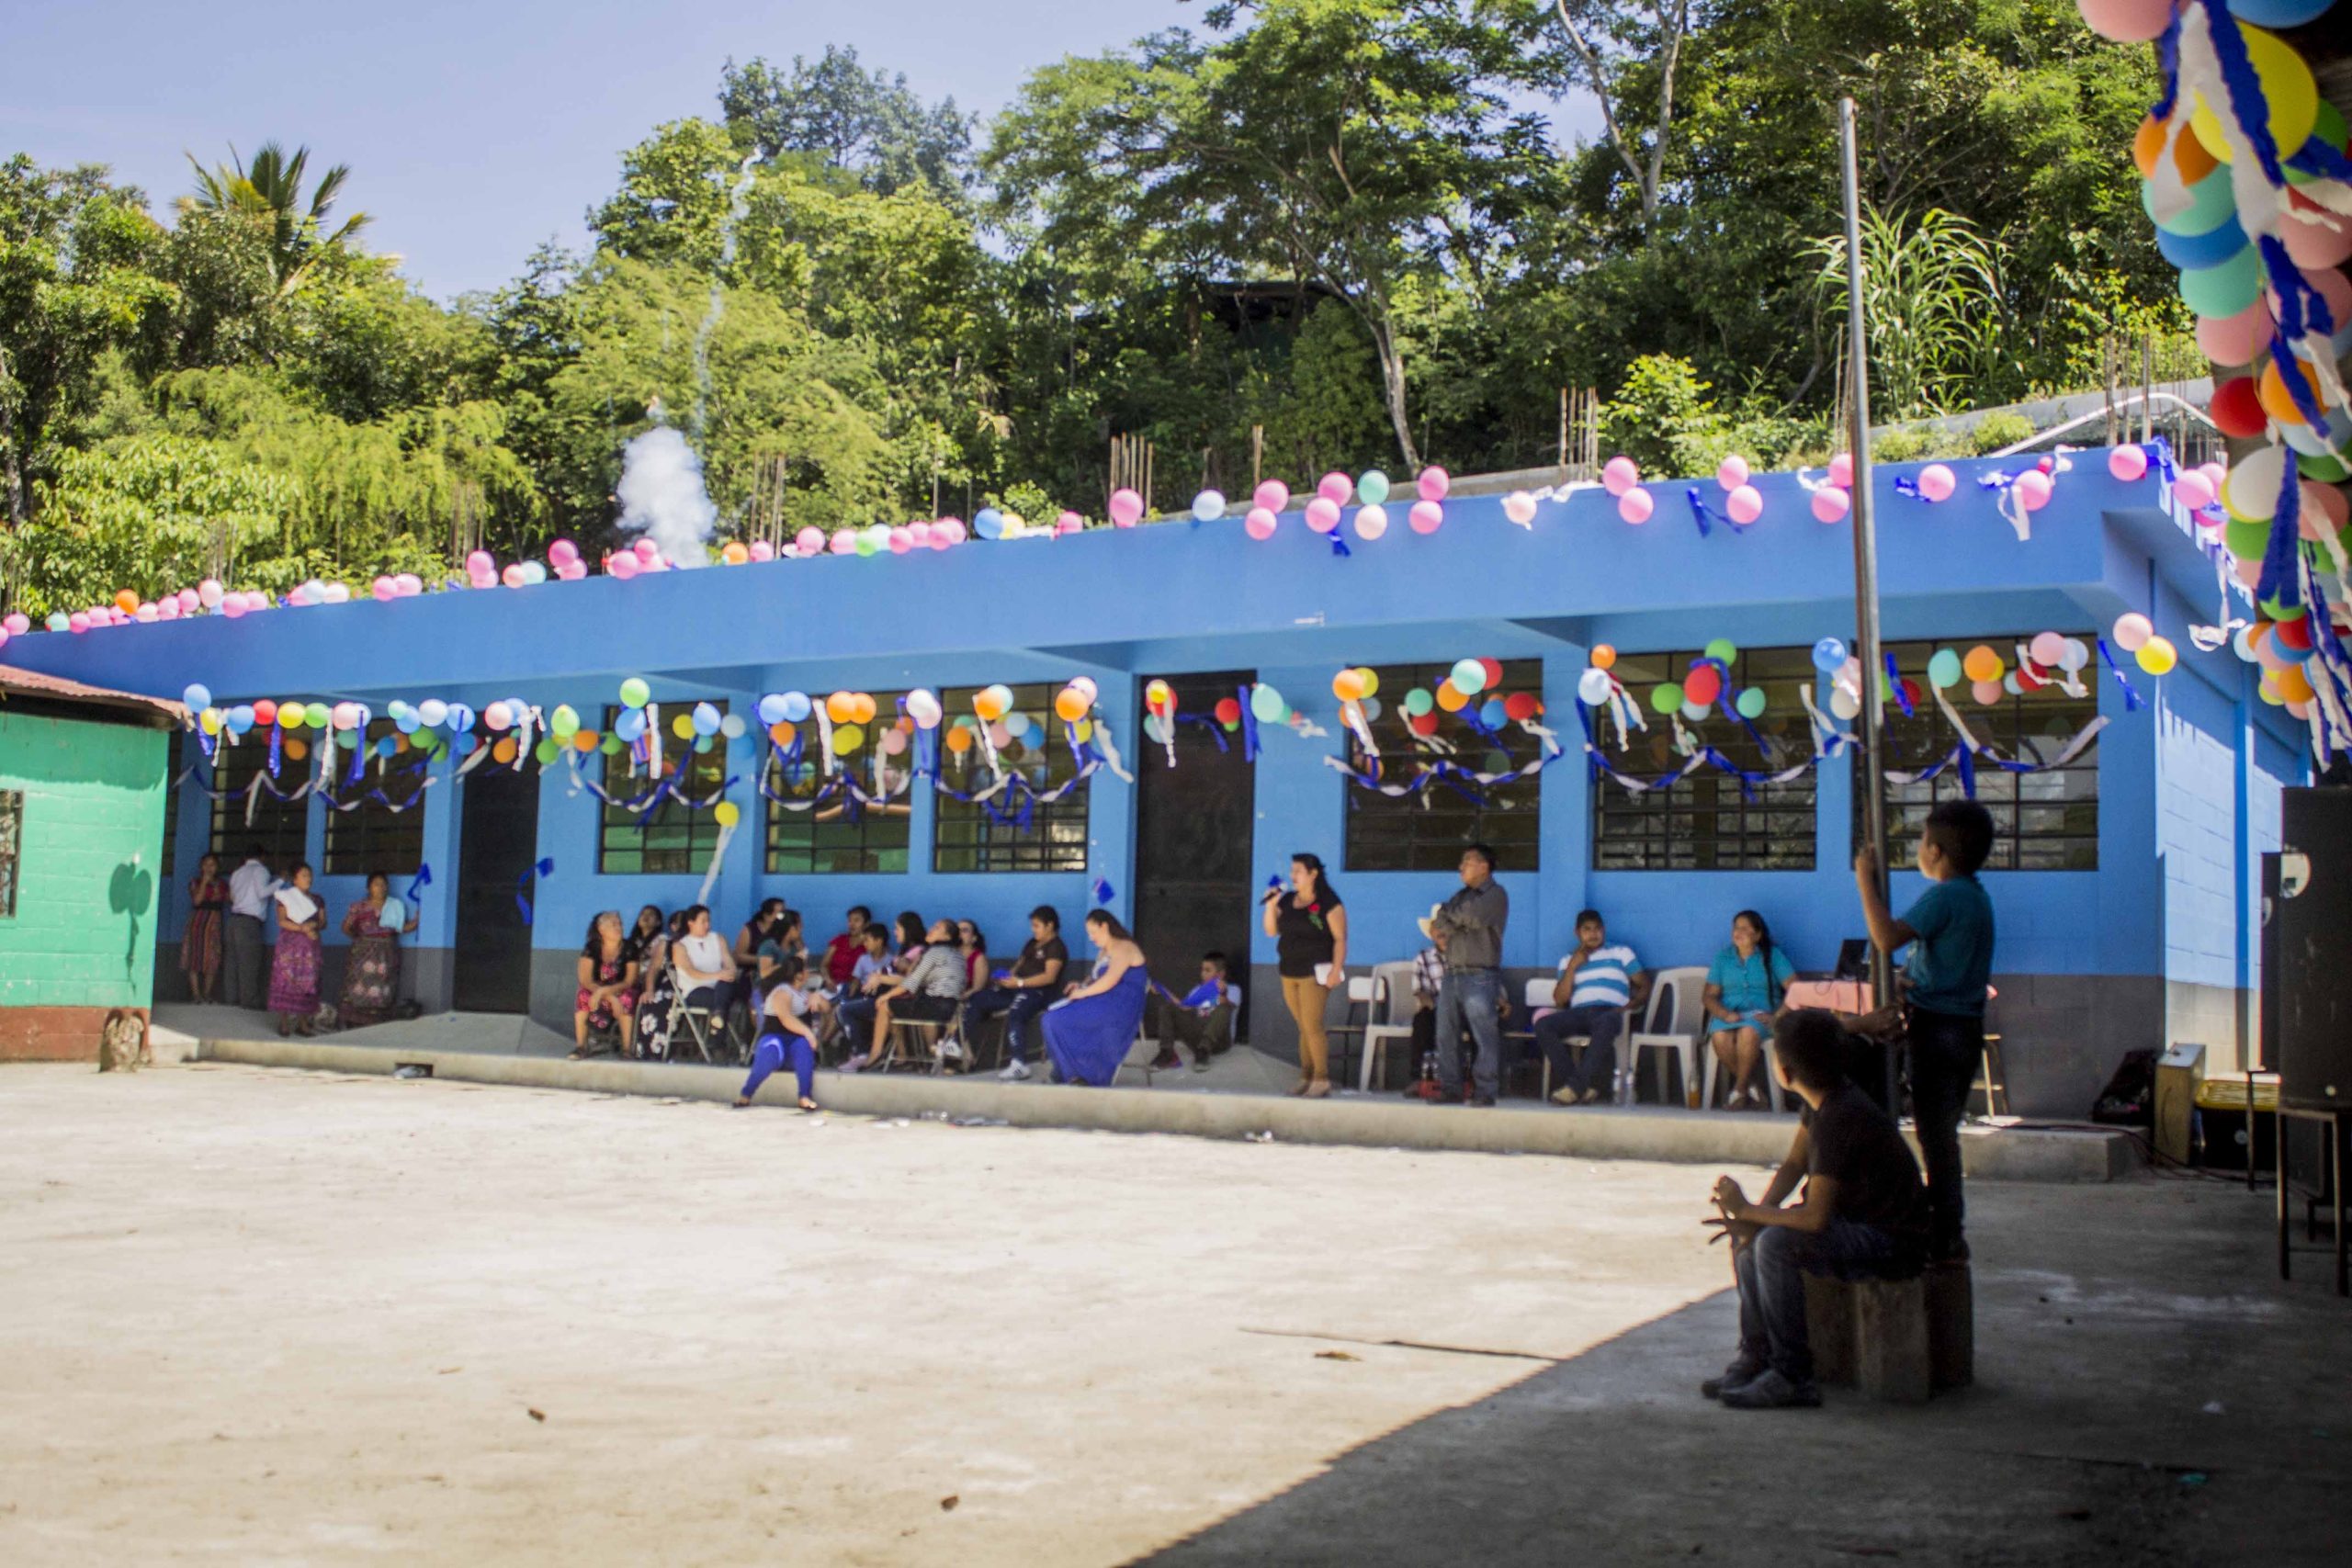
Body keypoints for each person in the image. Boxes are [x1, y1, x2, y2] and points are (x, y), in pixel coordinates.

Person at [1702, 1010, 1932, 1410]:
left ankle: (1793, 1375)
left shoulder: (1841, 1116)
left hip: (1890, 1239)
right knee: (1753, 1236)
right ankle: (1756, 1355)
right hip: (1857, 1222)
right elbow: (1794, 1164)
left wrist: (1751, 1211)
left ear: (1786, 1072)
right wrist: (1749, 1216)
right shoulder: (1824, 1099)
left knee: (1775, 1244)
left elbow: (1814, 1219)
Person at [1856, 800, 1996, 1263]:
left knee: (1936, 1139)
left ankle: (1945, 1236)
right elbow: (1940, 961)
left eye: (1921, 842)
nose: (1918, 849)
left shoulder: (1947, 895)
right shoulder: (1974, 897)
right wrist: (1908, 979)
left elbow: (1885, 938)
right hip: (1961, 1027)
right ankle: (1942, 1229)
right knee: (1939, 1134)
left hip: (1939, 1031)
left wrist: (1864, 879)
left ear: (1935, 851)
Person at [1533, 909, 1649, 1107]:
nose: (1593, 934)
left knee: (1607, 1021)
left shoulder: (1620, 952)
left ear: (1603, 930)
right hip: (1578, 1013)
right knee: (1543, 1025)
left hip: (1609, 1012)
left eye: (1597, 929)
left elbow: (1644, 984)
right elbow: (1560, 1000)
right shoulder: (1567, 960)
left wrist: (1629, 1007)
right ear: (1577, 933)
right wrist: (1573, 966)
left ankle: (1574, 1088)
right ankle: (1581, 1088)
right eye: (1587, 929)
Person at [1429, 844, 1510, 1106]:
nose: (1461, 867)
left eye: (1468, 861)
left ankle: (1485, 1091)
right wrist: (1453, 916)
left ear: (1484, 866)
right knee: (1445, 1032)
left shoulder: (1496, 894)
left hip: (1480, 974)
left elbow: (1474, 917)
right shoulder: (1460, 895)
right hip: (1452, 973)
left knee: (1483, 1034)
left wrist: (1453, 917)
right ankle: (1451, 1088)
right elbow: (1439, 921)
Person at [1263, 852, 1348, 1098]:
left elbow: (1340, 938)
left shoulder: (1329, 902)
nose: (1293, 876)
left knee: (1312, 1025)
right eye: (1292, 871)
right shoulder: (1288, 900)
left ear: (1313, 874)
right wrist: (1270, 904)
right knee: (1303, 1027)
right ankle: (1306, 1076)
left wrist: (1336, 969)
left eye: (1298, 871)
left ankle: (1321, 1079)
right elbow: (1271, 931)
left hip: (1315, 973)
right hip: (1289, 971)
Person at [1040, 911, 1152, 1087]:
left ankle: (1080, 1074)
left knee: (1056, 1019)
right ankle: (1070, 1072)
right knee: (1050, 1017)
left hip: (1119, 1005)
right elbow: (1095, 977)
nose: (1091, 938)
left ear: (1105, 926)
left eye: (1093, 932)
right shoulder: (1104, 952)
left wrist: (1083, 994)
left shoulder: (1124, 947)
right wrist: (1080, 985)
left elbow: (1110, 979)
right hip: (1101, 1000)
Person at [1705, 910, 1797, 1110]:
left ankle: (1738, 1091)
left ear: (1757, 935)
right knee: (1719, 1037)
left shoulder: (1773, 955)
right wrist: (1724, 1014)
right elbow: (1709, 996)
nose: (1739, 932)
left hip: (1761, 1016)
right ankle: (1751, 1086)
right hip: (1729, 1015)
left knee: (1748, 1032)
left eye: (1745, 928)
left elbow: (1795, 989)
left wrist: (1776, 1017)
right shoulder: (1723, 957)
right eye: (1736, 927)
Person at [852, 918, 967, 1070]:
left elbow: (911, 983)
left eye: (937, 928)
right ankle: (929, 1057)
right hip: (951, 1007)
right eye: (933, 925)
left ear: (946, 937)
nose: (931, 929)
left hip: (933, 1005)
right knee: (900, 1004)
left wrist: (886, 996)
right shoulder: (958, 955)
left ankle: (876, 1054)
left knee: (885, 1006)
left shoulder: (934, 953)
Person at [983, 907, 1071, 1081]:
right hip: (1016, 987)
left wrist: (1021, 982)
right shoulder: (1032, 943)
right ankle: (957, 1047)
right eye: (1033, 925)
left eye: (1037, 926)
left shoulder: (1056, 947)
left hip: (1039, 993)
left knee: (1016, 1013)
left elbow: (1049, 977)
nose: (1033, 929)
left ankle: (1019, 1063)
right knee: (979, 999)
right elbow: (1017, 966)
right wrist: (1006, 978)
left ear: (1050, 926)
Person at [737, 953, 822, 1112]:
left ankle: (805, 1096)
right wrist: (808, 1033)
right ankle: (746, 1094)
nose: (808, 973)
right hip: (775, 1036)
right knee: (770, 1052)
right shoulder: (782, 991)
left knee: (804, 1048)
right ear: (799, 975)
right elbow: (785, 1018)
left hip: (796, 1043)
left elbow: (827, 1007)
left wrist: (817, 998)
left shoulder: (804, 993)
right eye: (805, 969)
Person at [338, 873, 418, 1029]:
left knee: (383, 985)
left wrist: (416, 921)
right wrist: (360, 940)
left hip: (386, 953)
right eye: (376, 884)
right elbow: (346, 927)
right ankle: (354, 1020)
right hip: (363, 953)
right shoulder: (359, 907)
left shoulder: (394, 906)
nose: (380, 888)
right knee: (360, 984)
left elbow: (402, 927)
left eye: (383, 884)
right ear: (369, 888)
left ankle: (378, 1020)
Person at [1147, 952, 1238, 1072]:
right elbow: (1183, 1007)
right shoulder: (1197, 990)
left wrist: (1223, 994)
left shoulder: (1233, 989)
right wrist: (1163, 991)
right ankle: (1167, 1053)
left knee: (1224, 1007)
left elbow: (1232, 1006)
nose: (1203, 974)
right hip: (1196, 1040)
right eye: (1202, 970)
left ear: (1220, 974)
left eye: (1208, 970)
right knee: (1167, 1008)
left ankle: (1204, 1050)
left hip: (1219, 1042)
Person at [672, 905, 744, 1045]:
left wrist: (729, 972)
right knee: (723, 999)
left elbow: (729, 962)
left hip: (721, 986)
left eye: (708, 921)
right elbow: (690, 972)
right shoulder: (680, 946)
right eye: (703, 921)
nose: (708, 925)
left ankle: (718, 1018)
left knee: (725, 986)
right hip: (695, 989)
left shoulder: (718, 939)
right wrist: (717, 975)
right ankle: (717, 1035)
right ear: (691, 923)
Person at [572, 910, 641, 1058]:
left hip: (620, 988)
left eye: (620, 924)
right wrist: (607, 996)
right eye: (614, 925)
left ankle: (627, 1049)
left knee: (627, 998)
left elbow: (629, 980)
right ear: (601, 929)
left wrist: (607, 992)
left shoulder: (630, 948)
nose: (619, 928)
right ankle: (580, 1046)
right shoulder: (592, 948)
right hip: (596, 989)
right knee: (583, 995)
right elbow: (585, 979)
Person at [267, 863, 324, 1036]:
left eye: (310, 875)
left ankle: (303, 1023)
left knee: (307, 983)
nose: (309, 879)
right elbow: (282, 921)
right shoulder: (286, 897)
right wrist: (302, 928)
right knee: (285, 981)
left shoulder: (317, 899)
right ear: (295, 879)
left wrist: (314, 925)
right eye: (304, 875)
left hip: (310, 948)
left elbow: (323, 921)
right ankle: (284, 1023)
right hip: (289, 947)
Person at [223, 844, 275, 1009]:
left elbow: (231, 897)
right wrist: (280, 881)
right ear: (262, 857)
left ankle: (231, 999)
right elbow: (262, 893)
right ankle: (249, 1001)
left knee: (232, 962)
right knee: (249, 962)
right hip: (249, 922)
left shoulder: (237, 872)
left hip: (233, 920)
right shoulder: (261, 871)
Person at [635, 910, 690, 1060]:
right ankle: (650, 1052)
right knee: (653, 1002)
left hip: (690, 986)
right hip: (669, 985)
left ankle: (667, 1051)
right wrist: (649, 990)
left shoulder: (698, 944)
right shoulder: (665, 945)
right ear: (673, 926)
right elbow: (652, 970)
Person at [832, 925, 896, 1055]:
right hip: (862, 994)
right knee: (839, 1007)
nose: (864, 943)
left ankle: (860, 1049)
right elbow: (855, 981)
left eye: (867, 940)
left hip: (879, 997)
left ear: (879, 941)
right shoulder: (863, 959)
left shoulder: (891, 960)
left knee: (843, 1010)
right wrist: (849, 997)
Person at [182, 852, 230, 1003]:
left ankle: (207, 993)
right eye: (206, 865)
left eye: (212, 865)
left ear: (217, 867)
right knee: (194, 956)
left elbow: (230, 899)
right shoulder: (195, 882)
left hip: (214, 922)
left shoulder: (222, 884)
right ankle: (196, 995)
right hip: (198, 922)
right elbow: (197, 900)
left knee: (212, 957)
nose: (209, 868)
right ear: (201, 867)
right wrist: (204, 882)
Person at [822, 906, 872, 987]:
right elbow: (824, 965)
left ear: (867, 924)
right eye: (849, 921)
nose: (852, 924)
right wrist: (828, 980)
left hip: (856, 988)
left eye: (857, 920)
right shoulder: (839, 940)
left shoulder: (870, 945)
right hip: (833, 986)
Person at [734, 897, 789, 969]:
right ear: (767, 915)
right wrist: (762, 960)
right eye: (780, 914)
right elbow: (739, 956)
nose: (783, 917)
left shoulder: (785, 929)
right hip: (753, 971)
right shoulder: (750, 929)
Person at [957, 919, 990, 993]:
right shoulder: (949, 954)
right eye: (957, 930)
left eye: (964, 930)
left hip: (967, 999)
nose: (959, 933)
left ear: (974, 938)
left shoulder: (979, 958)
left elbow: (977, 989)